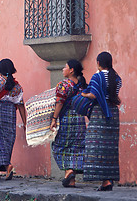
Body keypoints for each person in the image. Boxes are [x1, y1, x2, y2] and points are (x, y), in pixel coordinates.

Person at [81, 52, 122, 191]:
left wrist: (83, 94)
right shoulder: (117, 78)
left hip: (100, 113)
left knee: (95, 146)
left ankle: (105, 181)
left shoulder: (97, 76)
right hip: (113, 113)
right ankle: (108, 180)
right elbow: (114, 94)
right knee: (110, 149)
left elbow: (93, 95)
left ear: (98, 62)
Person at [50, 59, 87, 188]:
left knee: (59, 146)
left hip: (67, 119)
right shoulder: (82, 85)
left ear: (71, 70)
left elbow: (59, 102)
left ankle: (68, 171)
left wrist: (54, 118)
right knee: (76, 148)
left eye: (65, 67)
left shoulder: (63, 85)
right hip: (80, 120)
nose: (63, 69)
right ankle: (71, 180)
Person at [0, 59, 26, 180]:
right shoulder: (17, 86)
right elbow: (21, 105)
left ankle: (7, 166)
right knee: (7, 141)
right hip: (11, 115)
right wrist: (24, 122)